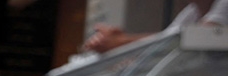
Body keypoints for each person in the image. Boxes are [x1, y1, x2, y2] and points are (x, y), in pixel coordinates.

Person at [84, 0, 227, 53]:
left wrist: (121, 42)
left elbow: (201, 37)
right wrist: (118, 43)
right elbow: (165, 42)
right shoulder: (191, 13)